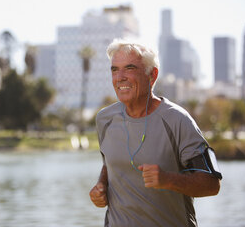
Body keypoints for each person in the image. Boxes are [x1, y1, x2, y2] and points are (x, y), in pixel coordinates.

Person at [89, 39, 222, 227]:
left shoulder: (178, 120)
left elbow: (211, 184)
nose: (120, 77)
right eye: (114, 69)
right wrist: (101, 186)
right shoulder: (105, 119)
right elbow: (109, 164)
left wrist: (168, 180)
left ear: (152, 75)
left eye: (129, 68)